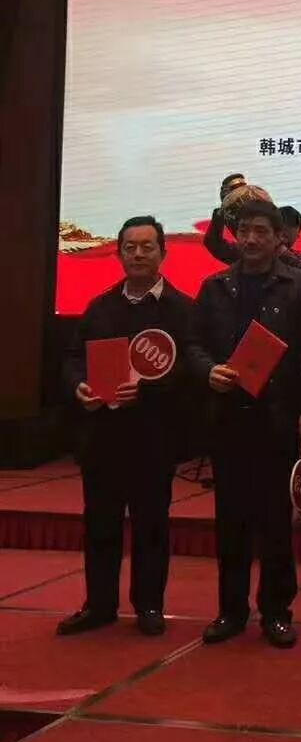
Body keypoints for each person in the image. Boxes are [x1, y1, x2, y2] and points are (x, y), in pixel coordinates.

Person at [187, 199, 301, 649]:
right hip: (229, 419)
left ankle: (277, 612)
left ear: (280, 238)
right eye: (243, 230)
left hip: (277, 420)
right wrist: (208, 370)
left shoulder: (298, 287)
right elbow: (192, 344)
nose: (250, 239)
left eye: (261, 231)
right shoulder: (215, 287)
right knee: (231, 521)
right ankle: (231, 610)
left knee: (275, 523)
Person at [58, 217, 193, 637]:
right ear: (119, 253)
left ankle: (149, 606)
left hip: (153, 438)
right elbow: (73, 357)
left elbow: (191, 369)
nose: (138, 254)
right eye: (130, 247)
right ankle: (99, 605)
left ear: (163, 253)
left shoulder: (183, 309)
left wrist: (149, 390)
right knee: (100, 524)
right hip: (103, 436)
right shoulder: (100, 307)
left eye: (147, 247)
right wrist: (78, 385)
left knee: (151, 525)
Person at [204, 197, 301, 274]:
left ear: (297, 236)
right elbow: (214, 244)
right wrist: (220, 215)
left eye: (286, 238)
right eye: (282, 235)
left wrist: (276, 246)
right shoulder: (250, 252)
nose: (283, 240)